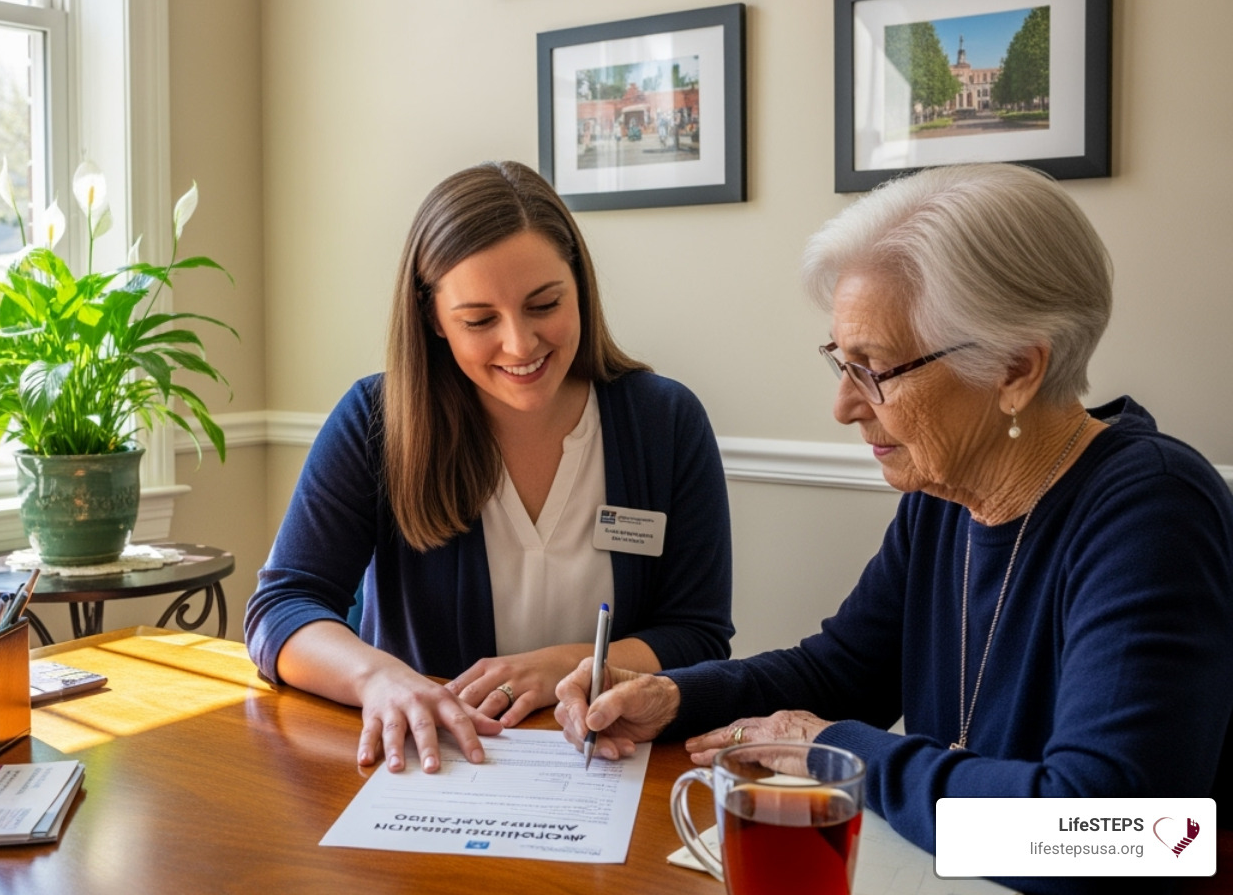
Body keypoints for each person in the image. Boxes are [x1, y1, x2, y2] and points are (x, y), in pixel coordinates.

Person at [554, 163, 1233, 894]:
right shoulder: (946, 491)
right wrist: (675, 696)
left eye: (875, 369)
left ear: (1014, 369)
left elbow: (1113, 835)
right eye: (840, 362)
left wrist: (836, 752)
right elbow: (842, 671)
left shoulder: (1153, 510)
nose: (844, 406)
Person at [246, 160, 733, 775]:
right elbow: (282, 606)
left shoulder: (665, 423)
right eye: (479, 321)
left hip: (605, 764)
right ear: (433, 319)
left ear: (579, 285)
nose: (520, 345)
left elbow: (697, 635)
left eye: (544, 304)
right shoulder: (377, 421)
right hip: (435, 767)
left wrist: (560, 664)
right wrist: (381, 680)